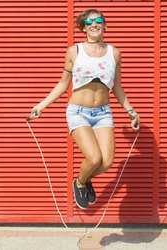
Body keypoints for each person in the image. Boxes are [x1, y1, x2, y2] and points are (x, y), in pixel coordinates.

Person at [29, 9, 140, 210]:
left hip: (103, 113)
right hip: (78, 111)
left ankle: (85, 178)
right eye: (89, 22)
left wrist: (131, 112)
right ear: (84, 27)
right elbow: (63, 85)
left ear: (105, 25)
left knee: (106, 163)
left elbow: (117, 87)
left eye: (99, 20)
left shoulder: (114, 53)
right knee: (94, 157)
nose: (94, 24)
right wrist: (41, 106)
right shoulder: (74, 51)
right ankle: (80, 183)